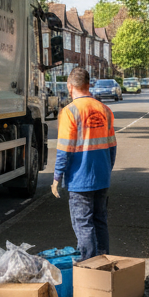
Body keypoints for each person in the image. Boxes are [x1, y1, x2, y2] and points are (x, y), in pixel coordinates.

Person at [51, 68, 117, 260]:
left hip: (80, 179)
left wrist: (56, 178)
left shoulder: (69, 112)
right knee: (100, 221)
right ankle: (104, 263)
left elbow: (64, 150)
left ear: (70, 87)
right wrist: (107, 170)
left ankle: (88, 267)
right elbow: (112, 147)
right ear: (89, 85)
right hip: (102, 176)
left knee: (83, 223)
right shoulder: (105, 110)